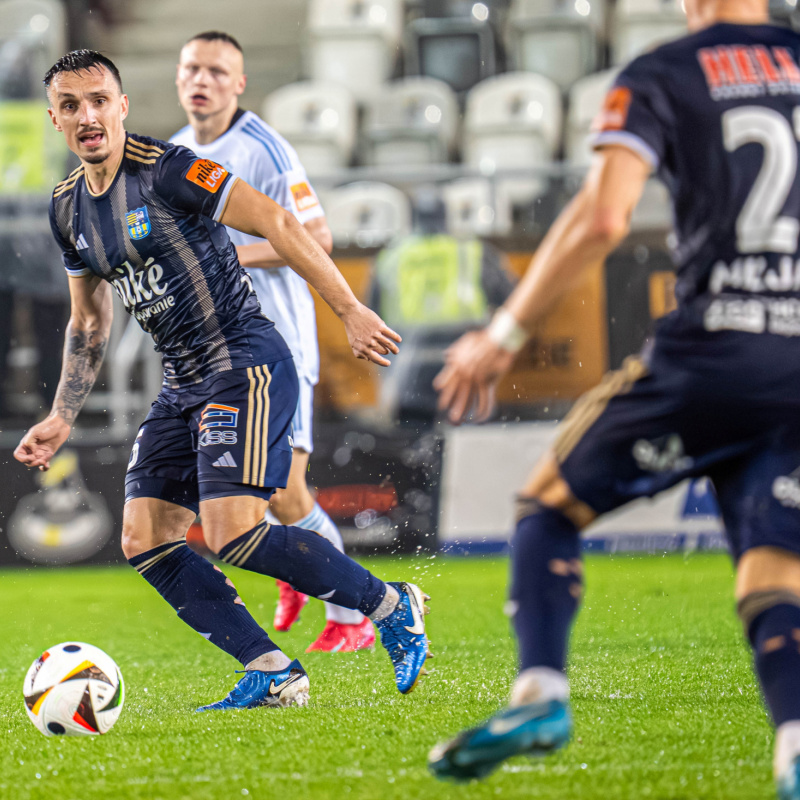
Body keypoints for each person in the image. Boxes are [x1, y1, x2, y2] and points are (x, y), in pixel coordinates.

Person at [428, 2, 800, 796]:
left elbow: (603, 216)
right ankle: (795, 746)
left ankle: (541, 694)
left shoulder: (664, 72)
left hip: (714, 352)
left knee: (547, 505)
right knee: (773, 572)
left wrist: (503, 333)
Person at [14, 50, 430, 712]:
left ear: (121, 106)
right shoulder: (68, 211)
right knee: (143, 539)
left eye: (98, 100)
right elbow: (88, 321)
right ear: (55, 120)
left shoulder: (172, 170)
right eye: (70, 105)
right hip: (183, 381)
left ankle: (389, 604)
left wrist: (349, 310)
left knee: (234, 531)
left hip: (244, 363)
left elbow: (280, 223)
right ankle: (270, 669)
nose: (87, 115)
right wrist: (62, 415)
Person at [170, 31, 372, 653]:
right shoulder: (175, 151)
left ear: (238, 84)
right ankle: (297, 571)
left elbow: (317, 235)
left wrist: (223, 254)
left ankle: (354, 616)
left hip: (277, 344)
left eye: (216, 70)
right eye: (191, 68)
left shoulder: (263, 147)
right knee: (244, 495)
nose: (201, 79)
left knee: (286, 491)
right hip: (214, 351)